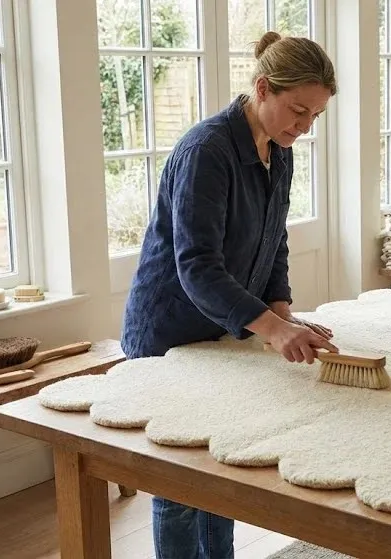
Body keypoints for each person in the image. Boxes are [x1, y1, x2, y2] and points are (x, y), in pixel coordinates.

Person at [120, 31, 339, 559]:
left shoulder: (278, 149)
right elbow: (197, 267)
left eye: (314, 117)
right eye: (297, 111)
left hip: (221, 330)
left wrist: (284, 313)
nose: (304, 127)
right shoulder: (207, 150)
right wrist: (271, 328)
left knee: (221, 464)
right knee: (179, 479)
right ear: (263, 88)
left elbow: (273, 240)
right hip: (169, 331)